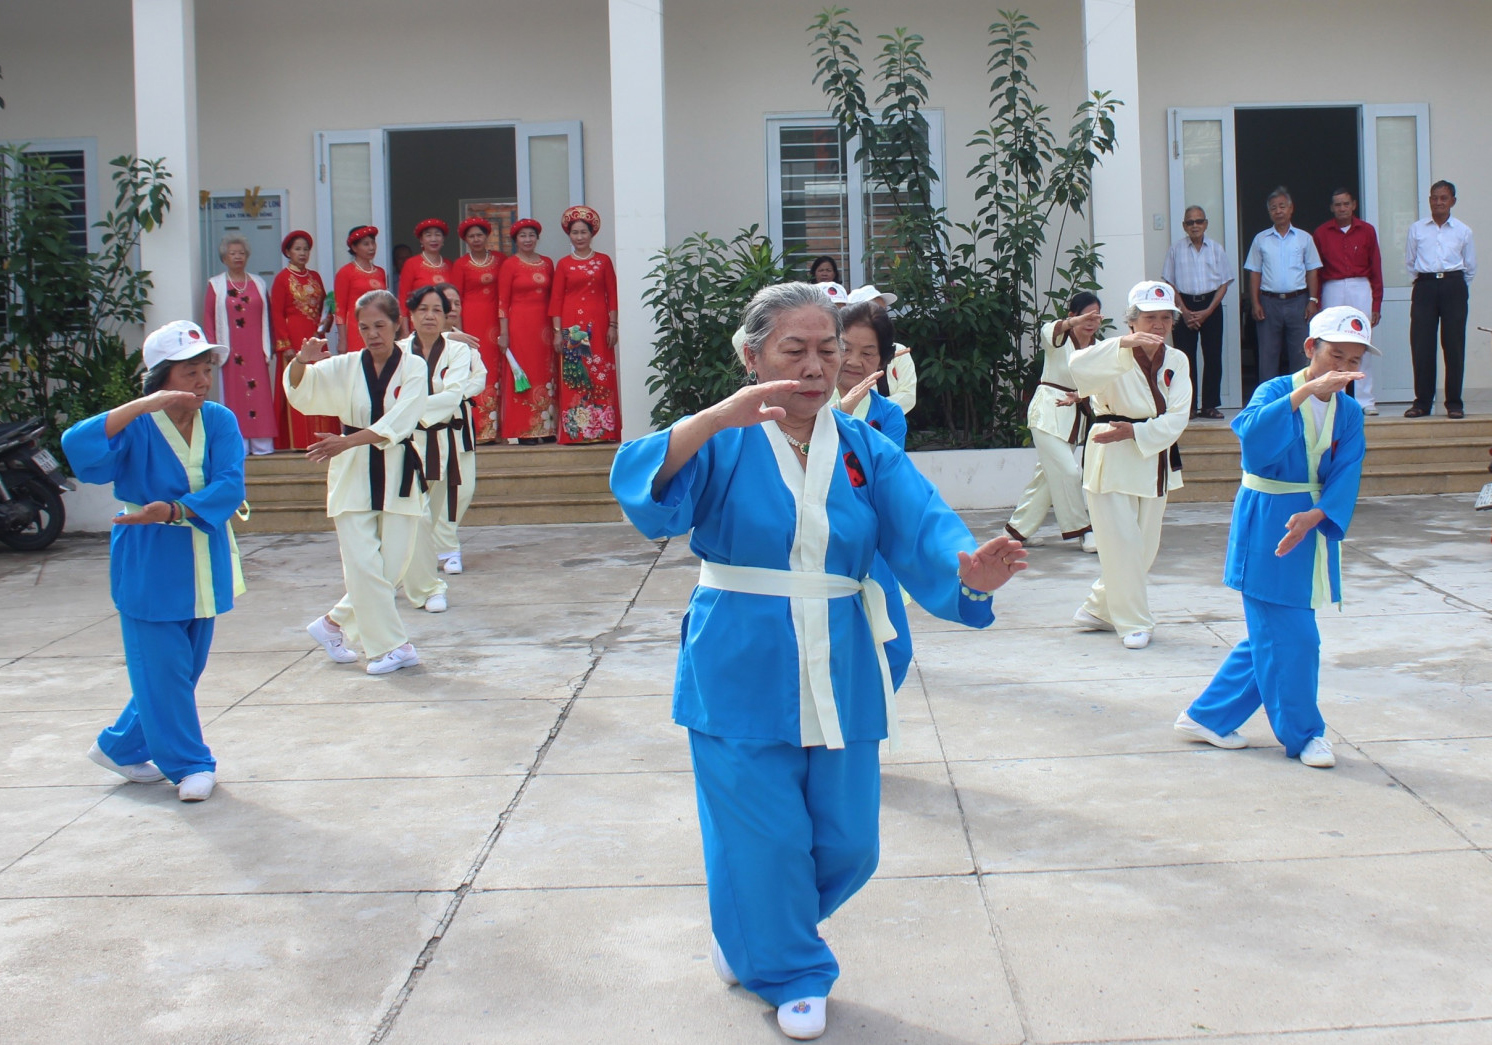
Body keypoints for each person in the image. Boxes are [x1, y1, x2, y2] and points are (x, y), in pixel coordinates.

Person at [609, 281, 1026, 1042]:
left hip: (840, 660)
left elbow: (924, 525)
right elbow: (648, 497)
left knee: (848, 841)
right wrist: (709, 421)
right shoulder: (725, 438)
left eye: (827, 350)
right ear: (752, 354)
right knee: (761, 835)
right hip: (740, 657)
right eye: (792, 350)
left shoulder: (866, 448)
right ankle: (792, 969)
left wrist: (966, 571)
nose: (814, 366)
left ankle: (752, 932)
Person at [1175, 305, 1372, 769]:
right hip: (1268, 520)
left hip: (1307, 524)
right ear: (1311, 348)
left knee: (1272, 634)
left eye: (1353, 361)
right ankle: (1305, 734)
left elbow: (1348, 471)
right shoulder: (1276, 390)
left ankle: (1206, 716)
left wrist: (1319, 514)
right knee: (1297, 637)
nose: (1343, 369)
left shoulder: (1350, 413)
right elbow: (1253, 442)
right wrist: (1305, 391)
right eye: (1335, 356)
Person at [65, 320, 244, 803]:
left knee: (180, 671)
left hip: (203, 559)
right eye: (190, 373)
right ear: (162, 377)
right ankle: (190, 764)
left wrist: (175, 510)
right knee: (164, 670)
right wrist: (143, 406)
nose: (203, 381)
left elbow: (230, 485)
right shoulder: (135, 425)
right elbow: (78, 448)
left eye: (206, 370)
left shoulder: (221, 420)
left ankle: (120, 747)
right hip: (148, 562)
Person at [284, 290, 429, 675]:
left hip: (397, 470)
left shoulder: (414, 367)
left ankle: (332, 624)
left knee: (391, 568)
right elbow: (301, 389)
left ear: (398, 324)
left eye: (380, 325)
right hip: (351, 475)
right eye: (364, 327)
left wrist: (345, 441)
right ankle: (392, 647)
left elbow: (402, 420)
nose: (372, 334)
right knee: (364, 566)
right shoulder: (348, 365)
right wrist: (301, 360)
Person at [1070, 281, 1192, 650]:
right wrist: (1123, 345)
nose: (1158, 325)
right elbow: (1077, 367)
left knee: (1144, 549)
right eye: (1150, 318)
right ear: (1132, 321)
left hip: (1154, 454)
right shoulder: (1111, 353)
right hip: (1111, 455)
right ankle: (1133, 622)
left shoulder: (1178, 360)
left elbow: (1179, 414)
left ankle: (1098, 608)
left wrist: (1138, 433)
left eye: (1165, 318)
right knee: (1121, 545)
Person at [397, 285, 474, 613]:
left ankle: (443, 556)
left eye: (437, 310)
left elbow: (454, 393)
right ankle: (418, 582)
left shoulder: (458, 352)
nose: (429, 315)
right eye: (423, 309)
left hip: (446, 434)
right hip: (405, 441)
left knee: (450, 497)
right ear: (411, 315)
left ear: (446, 316)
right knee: (413, 513)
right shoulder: (396, 350)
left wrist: (411, 408)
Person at [1006, 292, 1099, 553]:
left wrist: (1083, 395)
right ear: (1072, 316)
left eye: (1097, 316)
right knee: (1069, 472)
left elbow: (1102, 382)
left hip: (1073, 420)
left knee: (1046, 478)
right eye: (1086, 315)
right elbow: (1051, 329)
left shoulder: (1097, 346)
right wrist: (1071, 323)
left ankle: (1015, 532)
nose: (1092, 321)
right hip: (1047, 414)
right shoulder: (1058, 337)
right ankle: (1083, 531)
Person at [1405, 180, 1477, 418]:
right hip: (1425, 286)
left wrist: (1452, 285)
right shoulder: (1417, 229)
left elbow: (1470, 268)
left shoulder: (1463, 231)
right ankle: (1422, 402)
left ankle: (1454, 403)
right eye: (1434, 198)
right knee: (1422, 344)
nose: (1438, 202)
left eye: (1443, 198)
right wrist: (1428, 282)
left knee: (1454, 344)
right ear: (1429, 200)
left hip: (1453, 285)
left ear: (1452, 202)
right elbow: (1410, 263)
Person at [549, 205, 621, 443]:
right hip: (574, 329)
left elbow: (613, 293)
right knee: (576, 375)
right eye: (575, 233)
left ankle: (603, 429)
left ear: (592, 234)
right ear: (569, 235)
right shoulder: (564, 264)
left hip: (599, 325)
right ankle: (576, 431)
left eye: (583, 232)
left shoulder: (603, 261)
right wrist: (558, 332)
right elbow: (556, 299)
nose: (579, 237)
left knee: (600, 372)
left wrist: (613, 325)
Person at [203, 233, 277, 455]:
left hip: (255, 347)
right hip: (230, 349)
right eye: (233, 253)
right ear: (224, 258)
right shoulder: (215, 285)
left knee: (260, 394)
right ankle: (239, 444)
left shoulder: (258, 282)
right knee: (234, 395)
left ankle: (263, 444)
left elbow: (269, 317)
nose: (238, 257)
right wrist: (213, 348)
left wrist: (270, 345)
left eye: (241, 253)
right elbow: (208, 318)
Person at [1312, 189, 1384, 415]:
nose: (1342, 208)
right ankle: (1335, 398)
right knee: (1335, 344)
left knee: (1362, 342)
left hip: (1360, 286)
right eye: (1337, 205)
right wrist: (1317, 302)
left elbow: (1376, 268)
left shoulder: (1367, 231)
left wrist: (1376, 304)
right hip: (1332, 287)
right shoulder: (1322, 233)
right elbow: (1317, 270)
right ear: (1332, 208)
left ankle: (1365, 400)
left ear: (1353, 205)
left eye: (1346, 204)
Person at [434, 282, 487, 574]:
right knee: (435, 486)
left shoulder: (465, 344)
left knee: (463, 487)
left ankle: (444, 542)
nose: (452, 309)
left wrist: (456, 394)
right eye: (446, 304)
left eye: (456, 303)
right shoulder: (420, 343)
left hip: (459, 420)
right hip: (430, 426)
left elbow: (479, 376)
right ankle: (447, 547)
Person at [1162, 206, 1234, 419]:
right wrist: (1184, 311)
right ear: (1184, 226)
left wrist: (1207, 311)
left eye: (1199, 221)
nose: (1195, 225)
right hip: (1184, 305)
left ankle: (1210, 405)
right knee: (1184, 358)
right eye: (1190, 222)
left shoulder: (1216, 249)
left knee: (1213, 357)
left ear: (1206, 224)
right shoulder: (1175, 250)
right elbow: (1169, 282)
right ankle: (1189, 406)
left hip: (1211, 306)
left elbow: (1224, 283)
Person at [1245, 187, 1323, 382]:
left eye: (1282, 206)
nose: (1278, 211)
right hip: (1269, 302)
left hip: (1298, 301)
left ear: (1291, 209)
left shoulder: (1304, 238)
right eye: (1273, 208)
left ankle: (1300, 396)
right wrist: (1255, 303)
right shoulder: (1260, 239)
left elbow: (1312, 269)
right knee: (1268, 354)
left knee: (1301, 352)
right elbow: (1254, 272)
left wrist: (1313, 300)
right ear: (1269, 212)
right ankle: (1269, 401)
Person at [269, 230, 338, 449]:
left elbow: (325, 307)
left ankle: (322, 436)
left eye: (306, 249)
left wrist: (328, 319)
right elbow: (277, 313)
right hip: (294, 337)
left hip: (315, 337)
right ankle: (297, 440)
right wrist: (284, 344)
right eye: (297, 249)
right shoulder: (282, 279)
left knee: (320, 383)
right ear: (288, 252)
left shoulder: (315, 277)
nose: (302, 253)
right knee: (297, 383)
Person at [498, 218, 557, 442]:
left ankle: (547, 427)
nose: (528, 239)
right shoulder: (510, 265)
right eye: (523, 236)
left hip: (544, 327)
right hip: (519, 326)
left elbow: (554, 298)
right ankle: (525, 431)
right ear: (515, 240)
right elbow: (502, 301)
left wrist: (556, 328)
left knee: (545, 372)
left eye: (531, 235)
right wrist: (504, 332)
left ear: (537, 238)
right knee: (524, 374)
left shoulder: (548, 263)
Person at [451, 217, 506, 440]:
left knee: (497, 370)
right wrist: (459, 332)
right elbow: (455, 299)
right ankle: (479, 429)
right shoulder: (460, 264)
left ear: (487, 237)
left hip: (495, 321)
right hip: (471, 321)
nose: (476, 239)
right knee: (475, 368)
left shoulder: (501, 260)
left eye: (479, 235)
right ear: (466, 240)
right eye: (471, 236)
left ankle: (498, 428)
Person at [846, 285, 915, 413]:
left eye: (884, 311)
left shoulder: (899, 350)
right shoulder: (834, 353)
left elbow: (909, 396)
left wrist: (877, 414)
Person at [333, 226, 387, 353]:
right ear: (354, 248)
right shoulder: (345, 272)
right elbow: (339, 309)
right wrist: (342, 340)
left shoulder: (380, 272)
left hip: (379, 325)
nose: (371, 247)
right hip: (356, 327)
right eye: (366, 244)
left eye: (373, 243)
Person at [399, 219, 453, 334]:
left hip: (444, 323)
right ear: (421, 240)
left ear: (443, 240)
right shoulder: (411, 264)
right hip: (420, 323)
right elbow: (403, 298)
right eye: (428, 235)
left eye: (437, 235)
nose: (433, 239)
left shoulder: (450, 265)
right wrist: (405, 330)